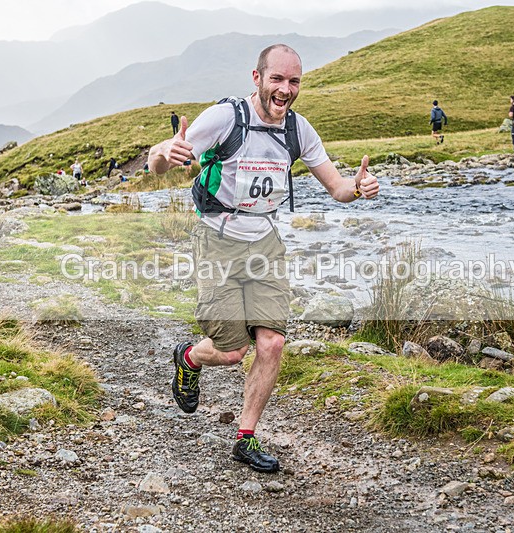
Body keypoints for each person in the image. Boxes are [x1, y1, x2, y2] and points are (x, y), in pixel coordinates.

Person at [147, 44, 379, 473]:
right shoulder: (226, 117)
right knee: (233, 352)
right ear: (257, 78)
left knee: (272, 342)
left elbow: (336, 187)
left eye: (294, 82)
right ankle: (190, 358)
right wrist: (164, 155)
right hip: (217, 241)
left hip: (266, 244)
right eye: (277, 79)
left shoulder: (299, 130)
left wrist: (358, 187)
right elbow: (158, 162)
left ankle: (246, 437)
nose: (286, 90)